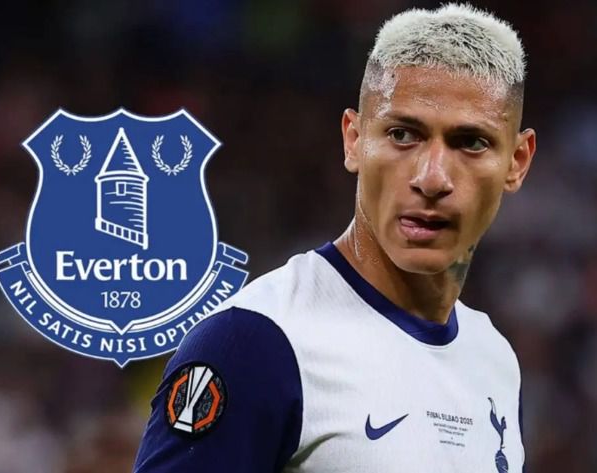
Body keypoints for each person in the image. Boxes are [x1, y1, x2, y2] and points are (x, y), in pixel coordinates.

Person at [134, 4, 536, 472]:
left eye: (470, 143)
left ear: (517, 161)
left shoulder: (493, 360)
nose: (431, 178)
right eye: (402, 134)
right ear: (354, 139)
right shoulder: (257, 342)